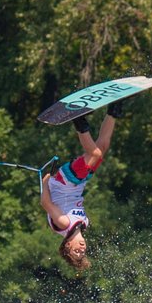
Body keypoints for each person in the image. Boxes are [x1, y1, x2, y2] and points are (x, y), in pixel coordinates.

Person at [41, 104, 118, 272]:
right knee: (102, 148)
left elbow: (45, 203)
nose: (82, 249)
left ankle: (78, 119)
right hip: (78, 182)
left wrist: (45, 180)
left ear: (67, 245)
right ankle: (115, 109)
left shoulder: (63, 224)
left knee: (95, 154)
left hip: (64, 181)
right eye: (82, 252)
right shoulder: (84, 223)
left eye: (76, 251)